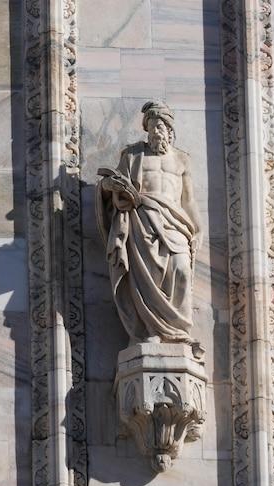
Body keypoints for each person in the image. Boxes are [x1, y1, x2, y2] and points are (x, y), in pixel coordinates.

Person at [95, 101, 203, 355]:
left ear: (169, 129)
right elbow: (110, 185)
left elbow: (189, 200)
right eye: (152, 127)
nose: (156, 132)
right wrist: (111, 186)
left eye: (160, 127)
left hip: (176, 223)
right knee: (148, 277)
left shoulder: (182, 160)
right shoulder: (133, 155)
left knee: (181, 270)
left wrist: (197, 229)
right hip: (142, 221)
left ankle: (178, 331)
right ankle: (150, 331)